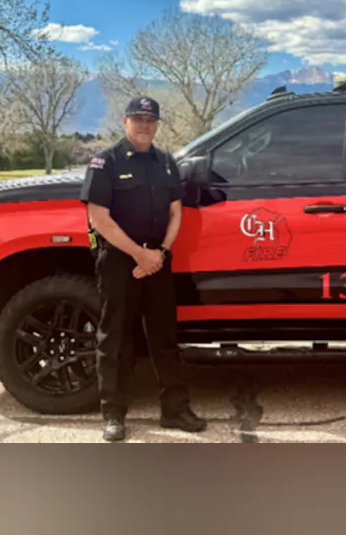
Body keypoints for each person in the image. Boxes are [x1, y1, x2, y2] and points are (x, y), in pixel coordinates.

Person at [80, 96, 207, 442]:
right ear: (125, 122)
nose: (144, 125)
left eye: (150, 120)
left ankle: (175, 410)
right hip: (121, 261)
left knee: (164, 337)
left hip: (158, 260)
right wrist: (139, 255)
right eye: (138, 119)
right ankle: (113, 413)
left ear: (156, 124)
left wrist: (160, 253)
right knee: (115, 337)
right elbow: (99, 218)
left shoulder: (166, 162)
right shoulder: (105, 162)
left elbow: (176, 212)